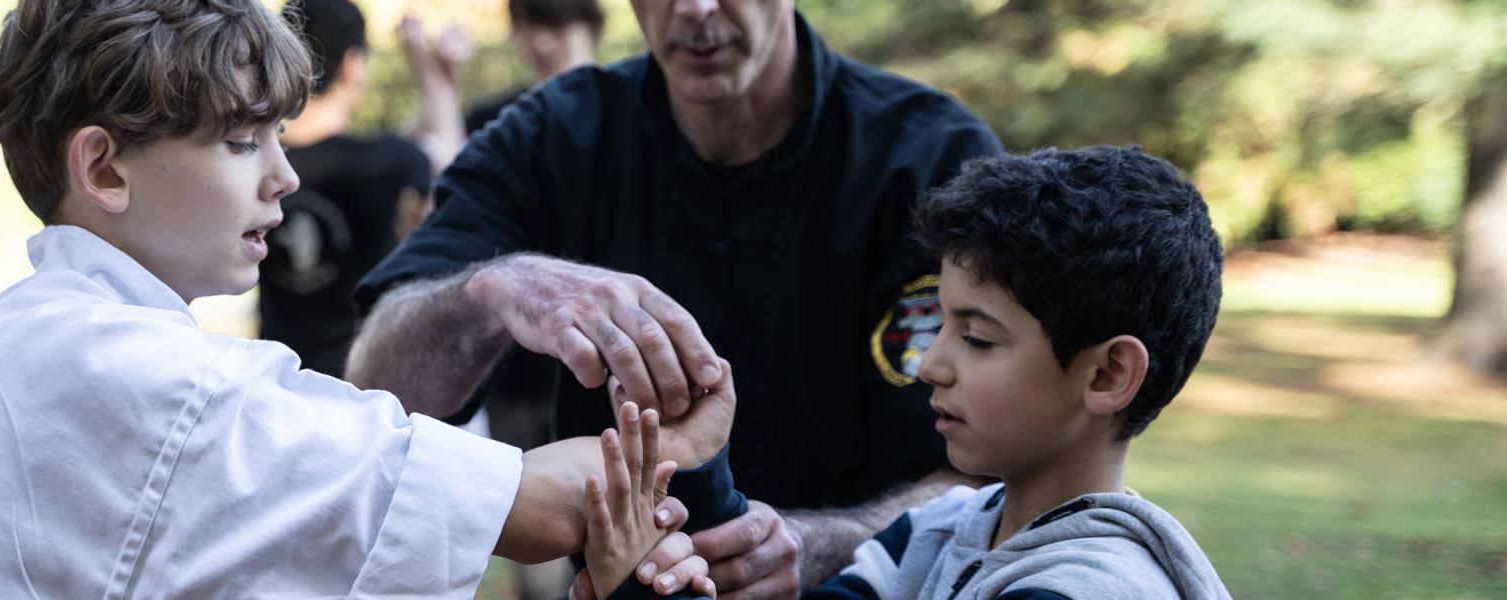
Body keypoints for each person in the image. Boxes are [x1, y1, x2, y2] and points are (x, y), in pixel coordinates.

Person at [0, 0, 722, 596]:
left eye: (278, 135)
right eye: (242, 141)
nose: (283, 176)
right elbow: (539, 507)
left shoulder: (34, 335)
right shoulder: (137, 379)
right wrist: (682, 433)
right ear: (104, 167)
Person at [348, 0, 1005, 595]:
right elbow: (377, 392)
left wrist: (825, 544)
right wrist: (488, 291)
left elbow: (995, 471)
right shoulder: (554, 132)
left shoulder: (929, 155)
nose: (693, 10)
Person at [602, 146, 1235, 600]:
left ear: (1105, 375)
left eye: (978, 338)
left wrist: (634, 579)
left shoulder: (1082, 588)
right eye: (941, 326)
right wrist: (697, 469)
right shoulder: (940, 532)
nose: (931, 364)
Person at [259, 0, 435, 377]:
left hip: (278, 379)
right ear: (353, 65)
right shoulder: (386, 163)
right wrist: (425, 63)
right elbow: (446, 159)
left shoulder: (252, 160)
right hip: (363, 383)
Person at [465, 0, 606, 134]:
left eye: (555, 25)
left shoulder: (620, 108)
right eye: (528, 26)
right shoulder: (493, 121)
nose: (541, 43)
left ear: (591, 26)